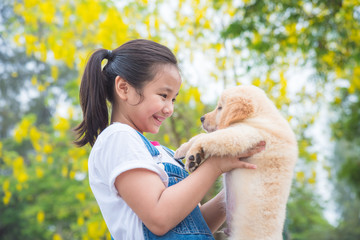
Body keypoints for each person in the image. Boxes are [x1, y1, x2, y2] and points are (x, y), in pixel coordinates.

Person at [74, 39, 264, 240]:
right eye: (163, 95)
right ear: (123, 88)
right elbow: (159, 218)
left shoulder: (165, 154)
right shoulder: (118, 138)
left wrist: (232, 192)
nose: (169, 108)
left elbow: (193, 225)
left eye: (173, 99)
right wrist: (216, 165)